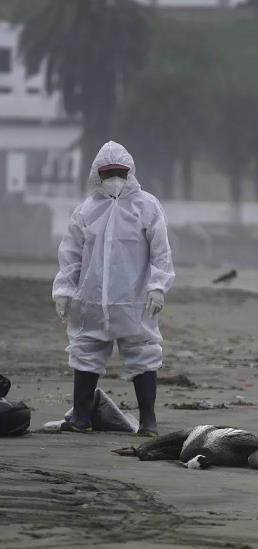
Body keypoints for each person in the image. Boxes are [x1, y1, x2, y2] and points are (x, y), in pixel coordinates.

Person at [52, 141, 175, 436]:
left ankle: (148, 422)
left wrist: (158, 286)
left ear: (130, 172)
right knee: (85, 353)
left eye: (120, 172)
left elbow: (161, 251)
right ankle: (81, 416)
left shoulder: (146, 206)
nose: (115, 179)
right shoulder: (86, 211)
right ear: (98, 174)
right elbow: (70, 255)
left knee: (144, 352)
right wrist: (64, 290)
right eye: (109, 173)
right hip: (91, 302)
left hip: (134, 301)